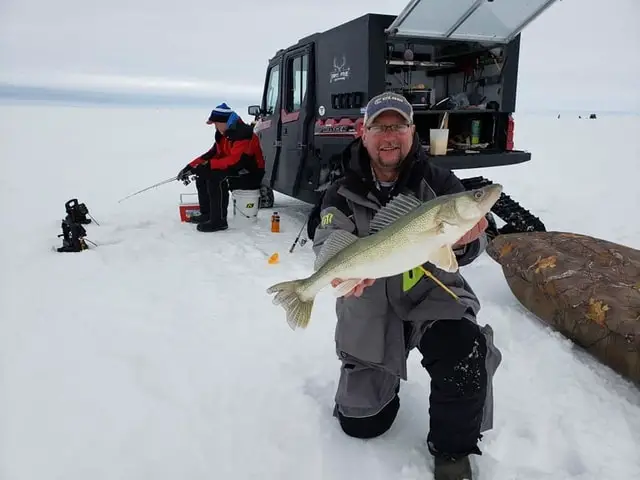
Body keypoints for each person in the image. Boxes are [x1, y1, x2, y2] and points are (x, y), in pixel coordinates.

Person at [311, 92, 502, 480]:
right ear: (363, 133)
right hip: (371, 303)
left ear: (413, 132)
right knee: (362, 424)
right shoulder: (340, 189)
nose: (389, 136)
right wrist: (338, 277)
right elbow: (326, 244)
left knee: (463, 351)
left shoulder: (439, 182)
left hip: (432, 294)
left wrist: (467, 242)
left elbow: (474, 243)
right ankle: (381, 381)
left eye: (398, 126)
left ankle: (452, 451)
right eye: (380, 126)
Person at [177, 103, 266, 232]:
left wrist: (210, 166)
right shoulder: (224, 135)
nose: (215, 127)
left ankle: (218, 221)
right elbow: (211, 154)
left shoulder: (243, 134)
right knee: (202, 175)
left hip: (250, 172)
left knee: (215, 177)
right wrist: (190, 167)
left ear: (224, 122)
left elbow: (236, 161)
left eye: (216, 123)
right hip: (237, 167)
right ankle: (207, 214)